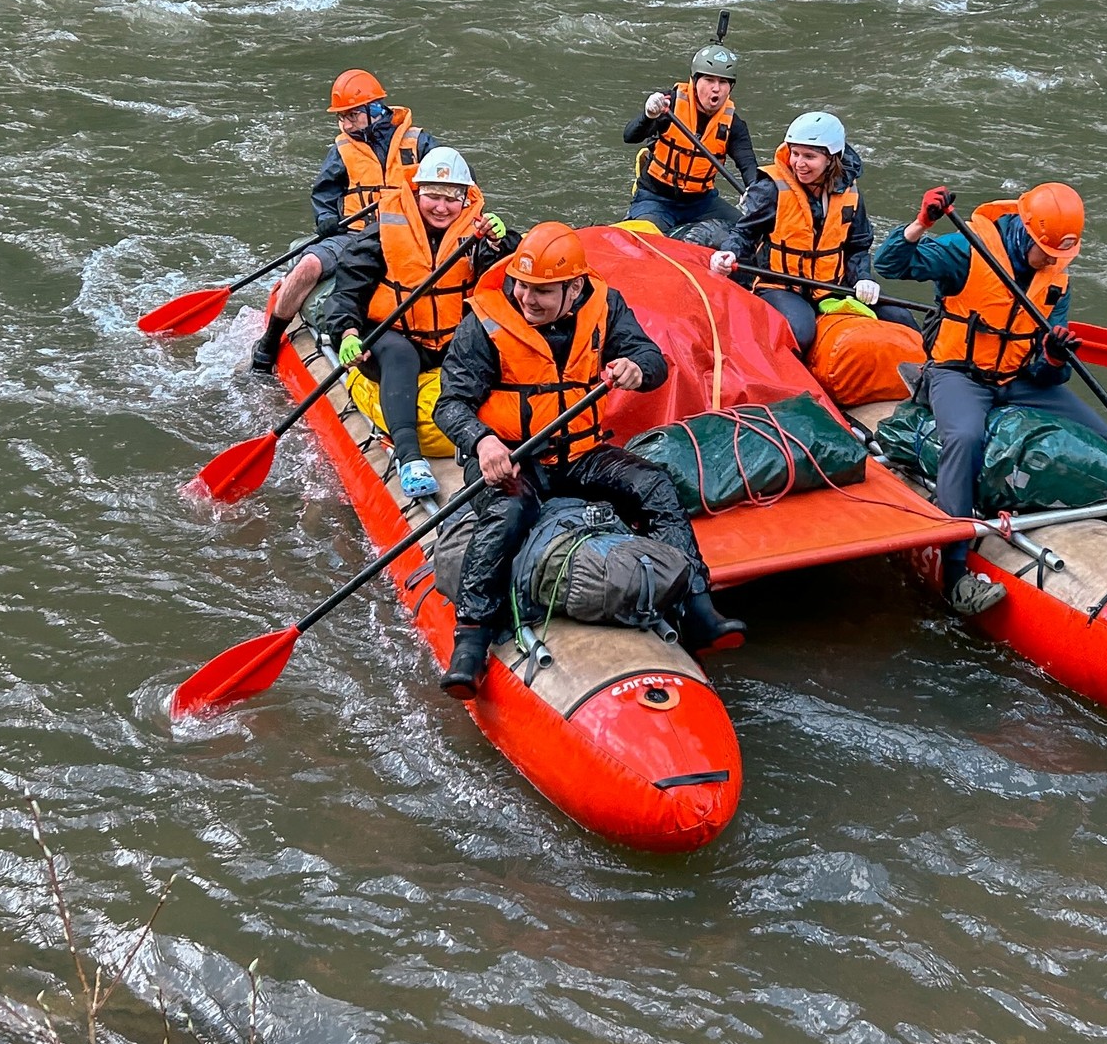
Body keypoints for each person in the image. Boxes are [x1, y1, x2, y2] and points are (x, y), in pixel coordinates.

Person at [433, 223, 747, 697]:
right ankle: (472, 637)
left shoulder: (605, 305)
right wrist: (482, 442)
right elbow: (450, 404)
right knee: (509, 509)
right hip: (511, 459)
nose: (527, 298)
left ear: (574, 287)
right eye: (522, 285)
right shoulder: (485, 321)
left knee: (654, 485)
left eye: (542, 291)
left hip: (580, 453)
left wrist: (637, 368)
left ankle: (696, 605)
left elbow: (650, 358)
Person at [876, 180, 1107, 617]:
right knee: (965, 438)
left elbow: (1048, 372)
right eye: (1047, 252)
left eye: (1060, 255)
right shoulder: (968, 249)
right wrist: (920, 224)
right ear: (1025, 231)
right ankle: (955, 574)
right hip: (958, 374)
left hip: (1020, 378)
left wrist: (1053, 357)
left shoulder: (1056, 279)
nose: (1053, 261)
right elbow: (889, 263)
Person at [321, 148, 516, 500]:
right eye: (433, 196)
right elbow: (347, 292)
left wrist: (502, 243)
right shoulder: (382, 233)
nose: (441, 207)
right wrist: (347, 333)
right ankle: (409, 456)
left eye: (452, 198)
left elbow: (509, 280)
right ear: (417, 192)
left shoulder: (479, 234)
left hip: (451, 339)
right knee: (399, 353)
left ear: (466, 198)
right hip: (392, 339)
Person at [249, 69, 432, 374]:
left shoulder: (420, 143)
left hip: (409, 237)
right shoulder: (342, 149)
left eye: (352, 115)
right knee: (308, 265)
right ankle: (269, 341)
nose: (346, 124)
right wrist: (326, 218)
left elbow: (451, 187)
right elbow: (325, 191)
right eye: (341, 117)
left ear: (375, 109)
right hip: (354, 234)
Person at [709, 110, 879, 356]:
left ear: (831, 159)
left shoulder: (850, 192)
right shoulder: (771, 189)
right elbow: (745, 233)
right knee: (799, 332)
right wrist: (729, 253)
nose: (799, 163)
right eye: (795, 153)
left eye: (809, 156)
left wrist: (863, 278)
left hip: (832, 286)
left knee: (898, 315)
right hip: (780, 286)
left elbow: (858, 244)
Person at [624, 35, 757, 238]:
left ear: (730, 87)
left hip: (702, 203)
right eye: (709, 80)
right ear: (694, 81)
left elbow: (748, 165)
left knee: (749, 231)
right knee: (647, 240)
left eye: (723, 82)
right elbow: (629, 136)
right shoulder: (669, 105)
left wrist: (754, 192)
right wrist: (648, 116)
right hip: (656, 198)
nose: (716, 88)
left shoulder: (733, 125)